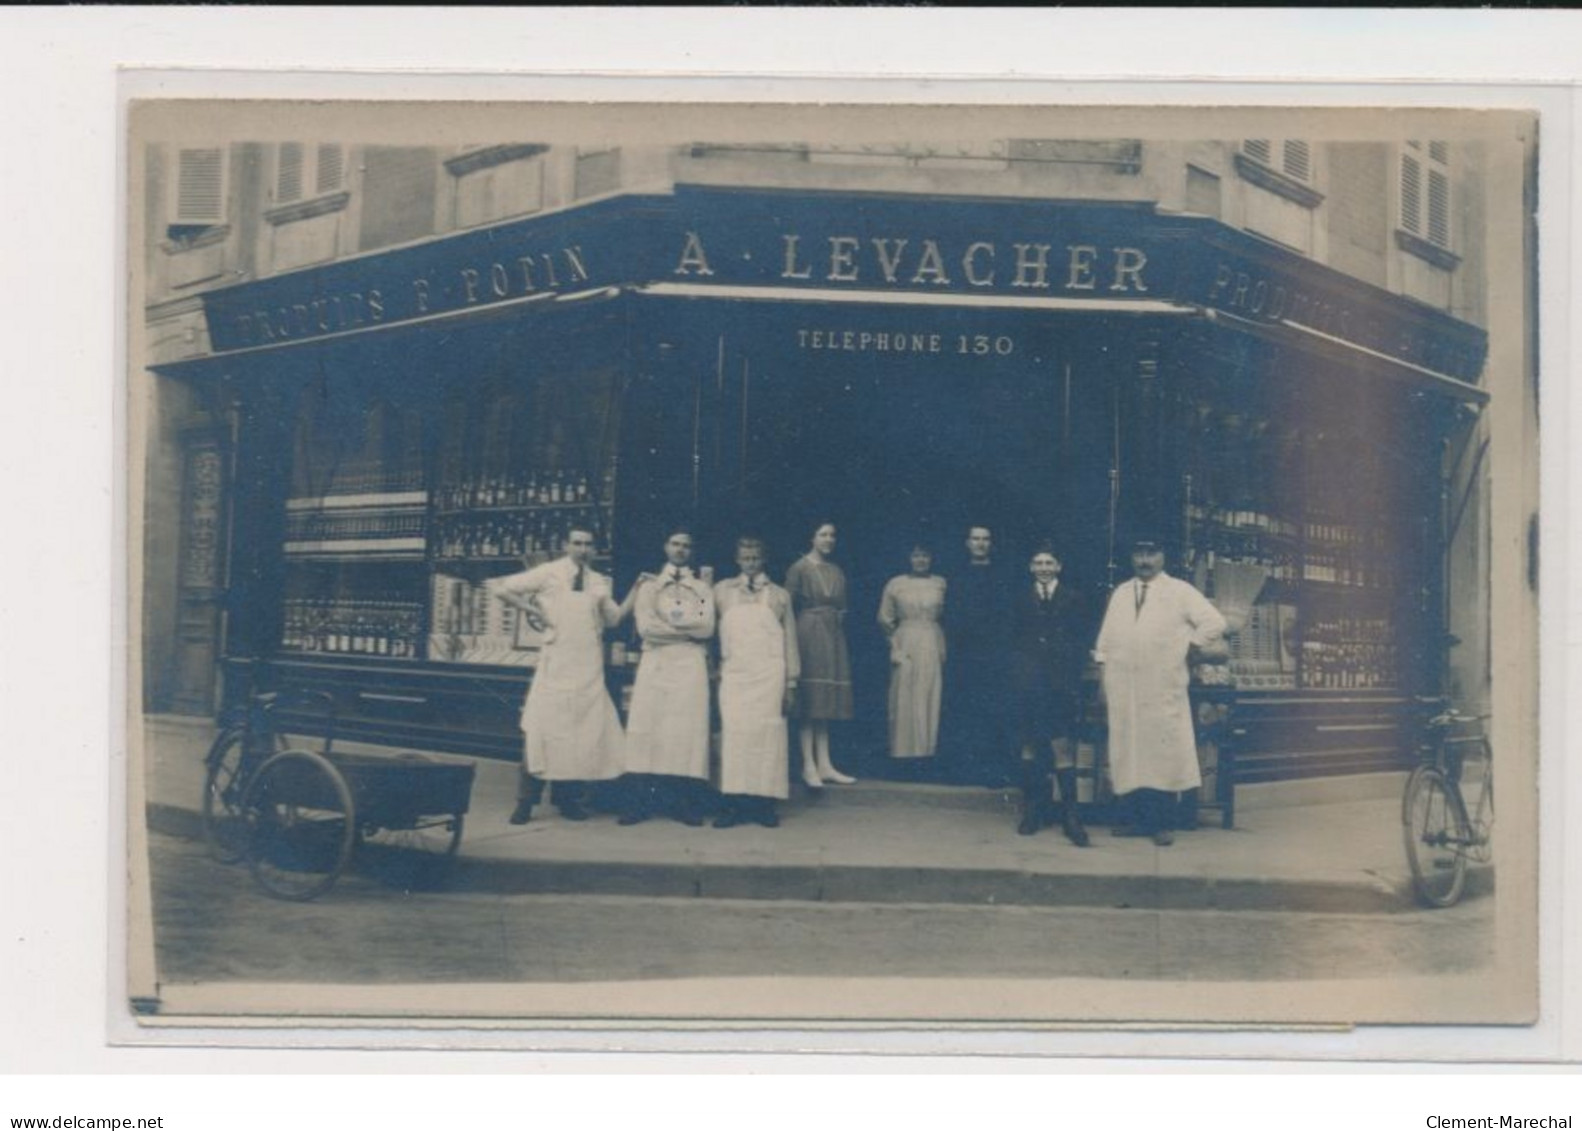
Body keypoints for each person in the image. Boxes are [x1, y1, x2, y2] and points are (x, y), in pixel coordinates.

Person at [1093, 535, 1228, 847]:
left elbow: (1215, 622)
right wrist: (1103, 681)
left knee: (1162, 751)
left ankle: (1162, 823)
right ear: (1131, 558)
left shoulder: (1179, 591)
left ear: (1162, 556)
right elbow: (1105, 642)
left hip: (1162, 686)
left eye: (1151, 553)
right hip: (1124, 686)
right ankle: (1135, 820)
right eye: (1139, 554)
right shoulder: (1122, 593)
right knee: (1130, 751)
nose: (1144, 561)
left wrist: (1190, 646)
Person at [492, 525, 625, 824]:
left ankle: (568, 800)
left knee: (580, 733)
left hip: (588, 667)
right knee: (541, 730)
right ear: (566, 545)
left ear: (595, 549)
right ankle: (525, 802)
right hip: (556, 665)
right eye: (577, 543)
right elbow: (502, 588)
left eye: (588, 544)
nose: (583, 549)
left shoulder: (599, 581)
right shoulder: (549, 572)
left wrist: (637, 591)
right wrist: (535, 611)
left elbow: (614, 620)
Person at [618, 527, 718, 827]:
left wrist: (671, 628)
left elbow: (707, 627)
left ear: (692, 551)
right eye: (675, 544)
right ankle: (640, 804)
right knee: (647, 728)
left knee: (685, 732)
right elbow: (647, 628)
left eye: (686, 546)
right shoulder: (649, 586)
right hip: (657, 662)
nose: (680, 550)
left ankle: (683, 804)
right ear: (666, 547)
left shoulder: (701, 589)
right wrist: (685, 630)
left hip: (689, 664)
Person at [712, 537, 800, 829]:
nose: (750, 563)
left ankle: (764, 805)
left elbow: (790, 641)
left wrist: (791, 683)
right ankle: (731, 805)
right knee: (735, 737)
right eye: (745, 558)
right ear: (737, 560)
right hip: (735, 675)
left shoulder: (779, 595)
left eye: (755, 558)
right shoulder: (720, 591)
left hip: (769, 677)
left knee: (766, 738)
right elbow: (697, 623)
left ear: (763, 560)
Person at [1009, 543, 1091, 845]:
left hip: (1060, 685)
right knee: (1029, 746)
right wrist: (1021, 674)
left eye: (1049, 563)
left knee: (1061, 747)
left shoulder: (1074, 599)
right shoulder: (1020, 599)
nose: (1043, 568)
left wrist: (1069, 676)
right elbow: (1013, 641)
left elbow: (1082, 642)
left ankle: (1071, 816)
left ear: (1058, 567)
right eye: (1038, 562)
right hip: (1029, 684)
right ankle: (1032, 811)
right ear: (1031, 567)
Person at [784, 521, 857, 789]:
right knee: (811, 700)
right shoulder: (799, 568)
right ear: (812, 538)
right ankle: (808, 765)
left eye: (832, 535)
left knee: (825, 701)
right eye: (823, 534)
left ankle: (825, 764)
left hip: (832, 634)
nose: (829, 539)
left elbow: (842, 607)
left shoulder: (837, 570)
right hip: (808, 632)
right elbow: (787, 607)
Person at [941, 524, 1015, 786]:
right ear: (967, 543)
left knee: (992, 713)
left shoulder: (1002, 575)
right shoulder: (956, 575)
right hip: (963, 654)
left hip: (993, 655)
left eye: (985, 539)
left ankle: (992, 771)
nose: (981, 543)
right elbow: (949, 614)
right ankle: (962, 771)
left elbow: (1007, 616)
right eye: (976, 539)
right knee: (963, 710)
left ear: (991, 544)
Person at [877, 544, 947, 762]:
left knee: (929, 694)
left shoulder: (941, 583)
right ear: (909, 558)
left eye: (925, 555)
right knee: (904, 696)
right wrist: (894, 647)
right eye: (916, 555)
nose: (921, 560)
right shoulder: (896, 584)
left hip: (932, 639)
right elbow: (885, 619)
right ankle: (903, 756)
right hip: (905, 641)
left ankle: (927, 755)